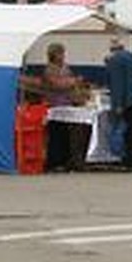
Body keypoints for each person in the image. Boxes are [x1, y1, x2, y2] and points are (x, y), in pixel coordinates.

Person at [42, 42, 90, 172]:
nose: (63, 56)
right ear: (53, 54)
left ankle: (66, 160)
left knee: (66, 134)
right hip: (55, 105)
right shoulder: (49, 69)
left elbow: (68, 81)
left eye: (63, 53)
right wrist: (74, 81)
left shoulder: (65, 67)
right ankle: (54, 161)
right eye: (60, 53)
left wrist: (75, 83)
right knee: (56, 134)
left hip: (67, 103)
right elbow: (56, 84)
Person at [104, 35, 132, 171]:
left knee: (125, 132)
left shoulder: (114, 60)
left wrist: (117, 105)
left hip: (125, 102)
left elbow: (117, 85)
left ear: (112, 49)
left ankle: (128, 161)